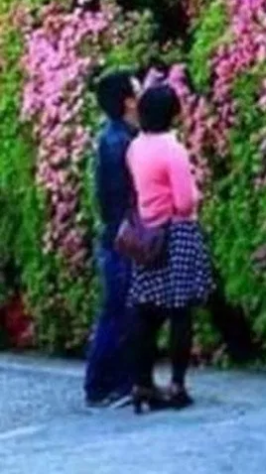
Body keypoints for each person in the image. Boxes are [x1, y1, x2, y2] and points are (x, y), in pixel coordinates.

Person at [126, 82, 212, 412]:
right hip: (176, 233)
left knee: (146, 313)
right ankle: (177, 385)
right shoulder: (172, 148)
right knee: (180, 312)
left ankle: (142, 384)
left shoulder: (136, 147)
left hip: (147, 233)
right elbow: (186, 201)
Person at [84, 69, 140, 410]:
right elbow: (120, 199)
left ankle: (114, 382)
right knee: (118, 310)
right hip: (122, 238)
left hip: (116, 236)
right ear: (127, 101)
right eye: (138, 90)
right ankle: (105, 385)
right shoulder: (120, 141)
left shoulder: (116, 137)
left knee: (119, 310)